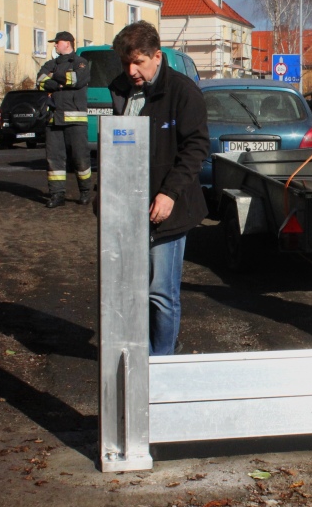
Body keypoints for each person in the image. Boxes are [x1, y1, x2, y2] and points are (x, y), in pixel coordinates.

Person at [108, 21, 209, 356]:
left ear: (157, 56)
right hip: (128, 208)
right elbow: (113, 147)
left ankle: (162, 362)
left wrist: (169, 193)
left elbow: (195, 148)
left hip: (169, 209)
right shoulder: (120, 90)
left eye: (138, 62)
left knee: (161, 292)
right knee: (132, 289)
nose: (132, 70)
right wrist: (103, 190)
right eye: (126, 63)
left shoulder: (183, 92)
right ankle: (141, 357)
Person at [37, 31, 92, 208]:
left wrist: (55, 78)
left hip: (75, 120)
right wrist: (59, 82)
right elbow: (40, 81)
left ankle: (85, 191)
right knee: (54, 159)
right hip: (53, 119)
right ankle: (57, 194)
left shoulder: (81, 63)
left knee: (80, 158)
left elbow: (76, 80)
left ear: (67, 43)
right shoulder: (50, 63)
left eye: (57, 42)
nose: (54, 45)